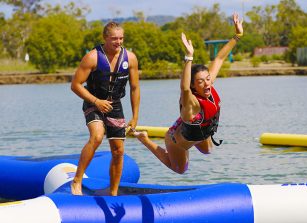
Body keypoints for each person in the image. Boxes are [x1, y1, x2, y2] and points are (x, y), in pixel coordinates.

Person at [131, 13, 243, 174]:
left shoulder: (208, 86)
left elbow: (219, 59)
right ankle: (144, 139)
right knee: (180, 169)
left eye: (208, 79)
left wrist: (237, 35)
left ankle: (197, 138)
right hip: (177, 141)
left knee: (207, 151)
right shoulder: (191, 102)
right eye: (200, 82)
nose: (207, 84)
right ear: (193, 85)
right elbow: (184, 88)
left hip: (198, 131)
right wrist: (189, 57)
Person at [70, 21, 140, 196]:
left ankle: (113, 192)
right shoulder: (92, 57)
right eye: (114, 38)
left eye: (121, 38)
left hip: (115, 105)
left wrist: (135, 116)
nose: (118, 42)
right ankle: (76, 181)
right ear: (105, 38)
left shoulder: (130, 58)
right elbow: (76, 85)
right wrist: (96, 101)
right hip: (93, 102)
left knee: (118, 151)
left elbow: (135, 88)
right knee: (97, 136)